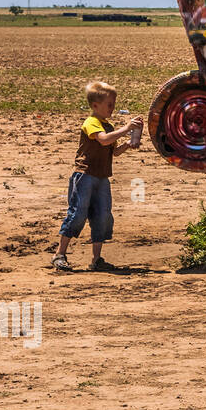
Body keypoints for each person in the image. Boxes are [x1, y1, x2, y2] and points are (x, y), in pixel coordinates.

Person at [51, 81, 140, 271]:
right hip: (84, 176)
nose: (112, 108)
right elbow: (103, 140)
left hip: (101, 177)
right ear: (95, 106)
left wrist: (127, 145)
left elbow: (113, 151)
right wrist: (125, 129)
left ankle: (96, 259)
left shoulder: (109, 126)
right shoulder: (91, 123)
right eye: (109, 104)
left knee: (102, 216)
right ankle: (60, 253)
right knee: (77, 214)